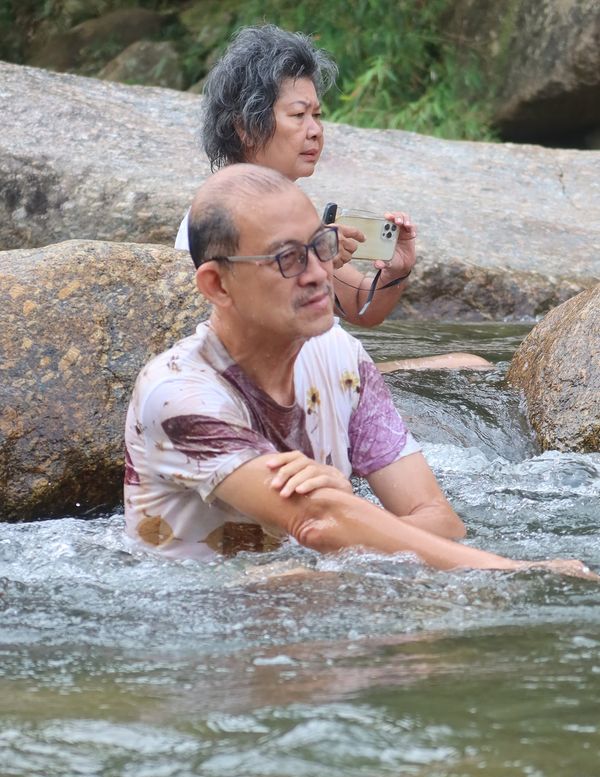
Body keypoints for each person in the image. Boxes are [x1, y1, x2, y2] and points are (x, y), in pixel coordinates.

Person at [125, 164, 592, 579]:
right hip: (202, 618)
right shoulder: (179, 394)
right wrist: (517, 571)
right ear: (217, 284)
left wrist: (342, 524)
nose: (318, 273)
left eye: (320, 246)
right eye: (287, 258)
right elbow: (317, 521)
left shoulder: (339, 355)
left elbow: (441, 520)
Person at [174, 24, 489, 370]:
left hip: (328, 377)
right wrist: (315, 256)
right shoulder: (218, 217)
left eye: (317, 115)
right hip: (288, 381)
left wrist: (395, 272)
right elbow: (254, 328)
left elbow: (361, 308)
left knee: (470, 363)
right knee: (469, 364)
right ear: (245, 128)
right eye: (299, 115)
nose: (316, 131)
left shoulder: (291, 211)